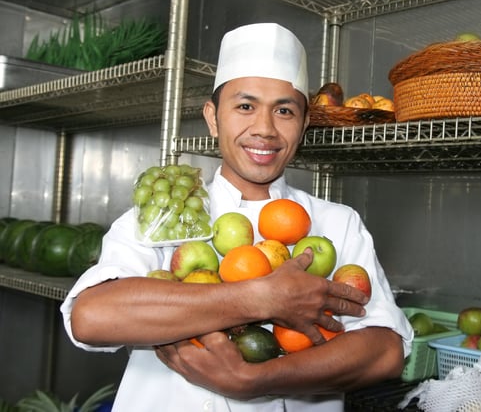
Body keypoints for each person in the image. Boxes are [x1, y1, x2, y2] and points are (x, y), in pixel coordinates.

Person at [60, 22, 413, 411]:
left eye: (284, 110)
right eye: (245, 106)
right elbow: (93, 317)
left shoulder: (337, 223)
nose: (264, 129)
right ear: (213, 118)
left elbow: (384, 350)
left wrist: (254, 381)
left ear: (305, 123)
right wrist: (260, 298)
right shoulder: (168, 217)